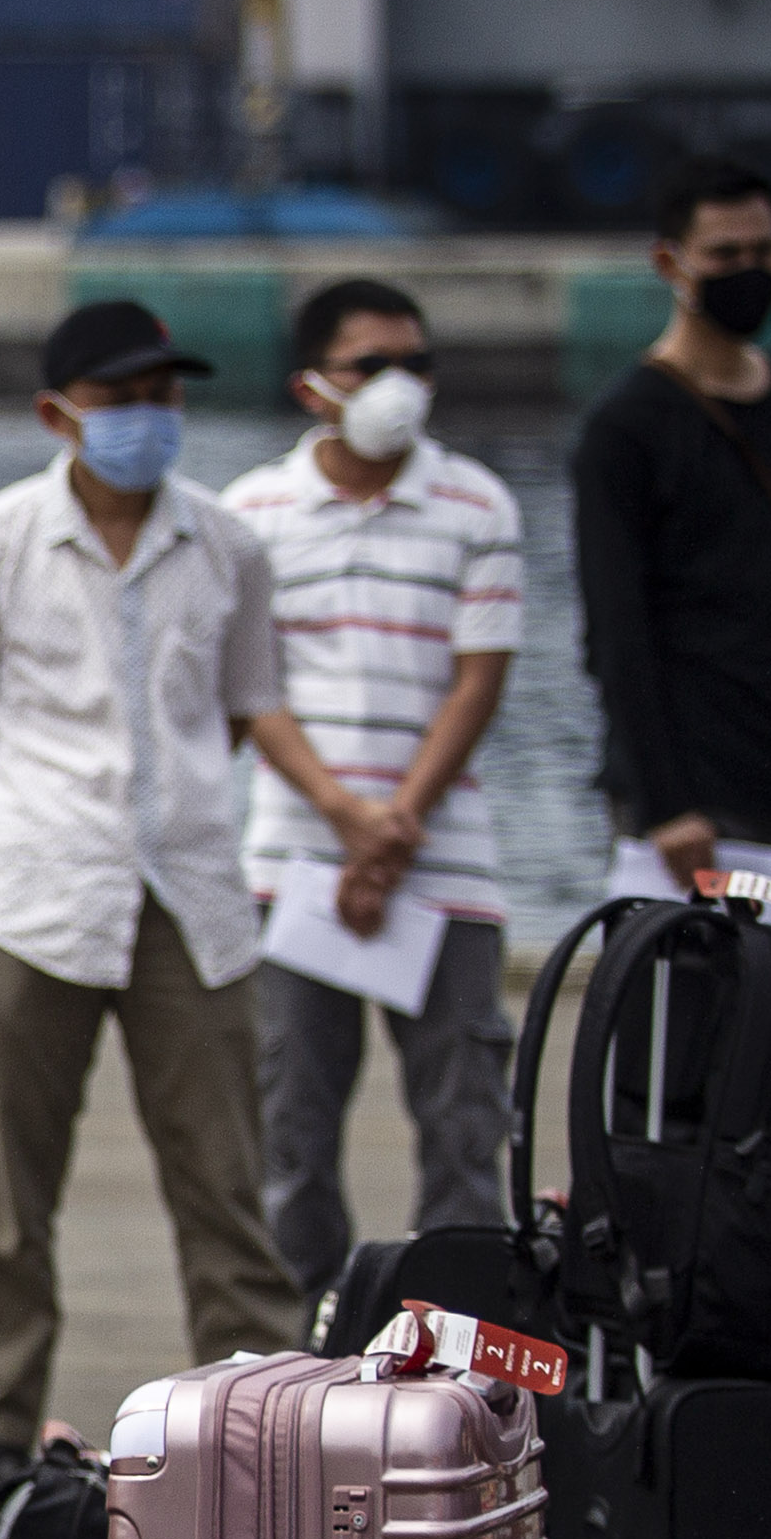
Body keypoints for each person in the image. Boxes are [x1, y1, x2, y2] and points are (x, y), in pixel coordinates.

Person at [0, 300, 402, 1516]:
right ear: (56, 413)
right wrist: (45, 808)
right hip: (35, 891)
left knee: (224, 1178)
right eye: (121, 399)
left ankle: (258, 1415)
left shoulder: (227, 543)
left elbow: (242, 706)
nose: (148, 419)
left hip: (191, 891)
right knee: (10, 1189)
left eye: (164, 397)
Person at [223, 278, 526, 1299]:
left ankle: (461, 1341)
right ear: (313, 385)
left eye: (416, 363)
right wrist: (346, 817)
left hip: (444, 860)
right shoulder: (253, 513)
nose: (400, 385)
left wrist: (393, 827)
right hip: (293, 861)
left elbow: (479, 679)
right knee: (290, 1127)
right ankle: (303, 1343)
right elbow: (252, 689)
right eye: (372, 365)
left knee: (464, 1122)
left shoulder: (478, 503)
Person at [574, 156, 771, 888]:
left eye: (763, 252)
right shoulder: (627, 428)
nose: (749, 272)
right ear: (670, 263)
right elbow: (617, 628)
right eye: (724, 255)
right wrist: (665, 804)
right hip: (706, 790)